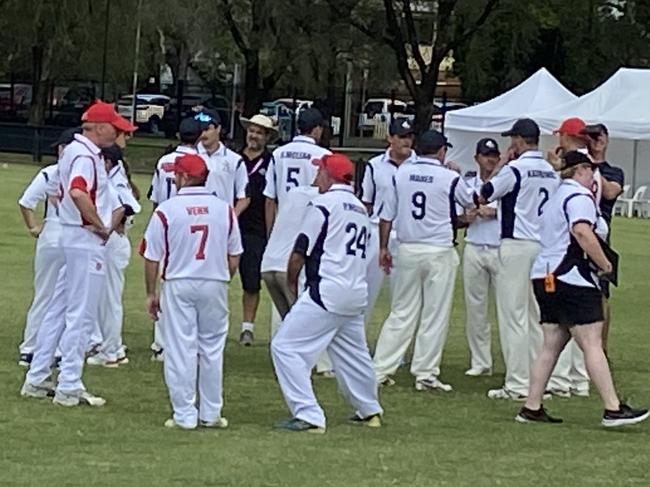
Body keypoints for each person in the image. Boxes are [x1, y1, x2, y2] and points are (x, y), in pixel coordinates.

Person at [517, 150, 648, 427]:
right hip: (571, 276)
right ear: (582, 170)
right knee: (592, 342)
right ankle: (612, 408)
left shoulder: (555, 197)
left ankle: (531, 406)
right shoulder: (579, 197)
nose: (594, 177)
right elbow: (582, 232)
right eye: (591, 171)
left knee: (551, 344)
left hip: (544, 275)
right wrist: (605, 265)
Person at [21, 100, 134, 407]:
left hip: (72, 236)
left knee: (59, 308)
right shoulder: (85, 155)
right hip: (84, 239)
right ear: (99, 127)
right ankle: (69, 383)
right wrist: (98, 224)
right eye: (115, 128)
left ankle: (38, 375)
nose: (119, 135)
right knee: (80, 314)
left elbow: (66, 191)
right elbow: (77, 191)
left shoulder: (73, 151)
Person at [271, 153, 383, 433]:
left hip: (327, 290)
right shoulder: (359, 208)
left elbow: (301, 249)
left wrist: (293, 284)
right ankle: (370, 409)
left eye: (318, 171)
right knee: (354, 355)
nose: (315, 177)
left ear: (328, 175)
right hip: (355, 291)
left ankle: (308, 414)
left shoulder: (322, 204)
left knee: (285, 347)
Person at [141, 153, 243, 429]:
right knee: (211, 348)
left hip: (179, 281)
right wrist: (223, 278)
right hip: (214, 281)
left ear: (184, 177)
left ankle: (184, 414)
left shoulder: (167, 210)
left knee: (180, 348)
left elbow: (152, 256)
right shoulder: (224, 209)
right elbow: (234, 254)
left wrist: (151, 293)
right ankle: (211, 413)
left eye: (177, 174)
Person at [478, 118, 559, 401]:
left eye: (513, 139)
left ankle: (517, 383)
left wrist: (500, 167)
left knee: (513, 316)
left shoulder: (515, 169)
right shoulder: (551, 171)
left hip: (517, 244)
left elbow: (485, 193)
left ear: (520, 141)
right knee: (538, 317)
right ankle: (540, 381)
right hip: (544, 247)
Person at [373, 130, 460, 391]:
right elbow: (468, 204)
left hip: (408, 248)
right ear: (441, 151)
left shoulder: (400, 175)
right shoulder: (449, 176)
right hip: (438, 250)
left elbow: (386, 216)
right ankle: (425, 373)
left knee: (401, 311)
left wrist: (383, 247)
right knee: (434, 314)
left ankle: (379, 369)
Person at [16, 127, 80, 367]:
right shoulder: (87, 173)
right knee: (71, 297)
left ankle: (30, 348)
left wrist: (34, 227)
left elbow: (26, 202)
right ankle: (59, 351)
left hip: (52, 233)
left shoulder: (49, 173)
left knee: (44, 293)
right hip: (76, 235)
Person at [148, 116, 204, 361]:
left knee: (166, 281)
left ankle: (161, 343)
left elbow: (156, 197)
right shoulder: (201, 162)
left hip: (168, 218)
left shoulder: (164, 162)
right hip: (195, 222)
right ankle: (190, 340)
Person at [86, 145, 141, 367]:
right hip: (113, 243)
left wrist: (108, 227)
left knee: (109, 300)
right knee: (105, 298)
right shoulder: (114, 175)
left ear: (107, 161)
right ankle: (112, 346)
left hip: (113, 243)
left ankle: (110, 352)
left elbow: (128, 205)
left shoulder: (115, 179)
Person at [360, 117, 416, 323]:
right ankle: (357, 347)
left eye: (409, 137)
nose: (406, 142)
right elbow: (367, 202)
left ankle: (396, 353)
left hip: (405, 234)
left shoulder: (419, 164)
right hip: (376, 232)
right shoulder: (375, 165)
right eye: (401, 137)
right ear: (390, 138)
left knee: (402, 297)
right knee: (366, 291)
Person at [455, 138, 501, 377]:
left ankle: (516, 360)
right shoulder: (467, 183)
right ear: (477, 158)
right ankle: (481, 361)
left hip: (500, 248)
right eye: (486, 155)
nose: (490, 160)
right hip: (474, 245)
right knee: (476, 308)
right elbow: (457, 217)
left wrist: (494, 212)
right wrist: (467, 217)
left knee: (507, 309)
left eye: (493, 155)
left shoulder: (505, 182)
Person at [583, 123, 624, 354]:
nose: (595, 141)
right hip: (579, 232)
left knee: (602, 294)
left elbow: (610, 191)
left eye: (598, 137)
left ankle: (602, 349)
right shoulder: (578, 165)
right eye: (590, 137)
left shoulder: (612, 171)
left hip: (601, 236)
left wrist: (592, 165)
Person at [236, 114, 277, 346]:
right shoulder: (233, 159)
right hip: (231, 225)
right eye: (252, 130)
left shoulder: (272, 162)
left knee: (251, 281)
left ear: (267, 137)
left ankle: (247, 328)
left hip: (257, 228)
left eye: (260, 132)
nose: (254, 136)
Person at [264, 107, 331, 234]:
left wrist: (270, 235)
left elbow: (270, 199)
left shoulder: (278, 154)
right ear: (317, 129)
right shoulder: (325, 155)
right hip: (311, 227)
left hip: (283, 225)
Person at [196, 109, 250, 215]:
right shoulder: (190, 156)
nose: (203, 134)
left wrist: (232, 217)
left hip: (222, 222)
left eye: (207, 129)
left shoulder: (234, 160)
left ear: (218, 129)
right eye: (200, 129)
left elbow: (244, 196)